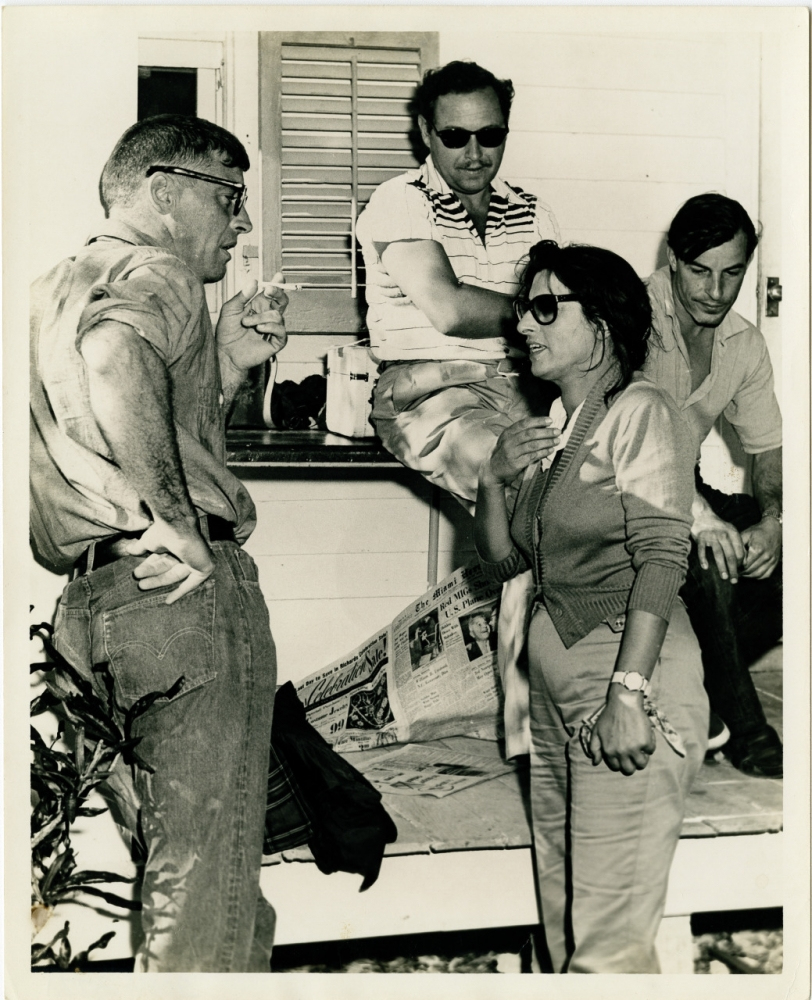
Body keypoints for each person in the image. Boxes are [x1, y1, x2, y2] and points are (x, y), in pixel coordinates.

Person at [30, 115, 288, 972]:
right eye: (230, 197)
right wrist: (178, 523)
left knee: (202, 890)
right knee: (202, 902)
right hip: (178, 605)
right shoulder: (162, 270)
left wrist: (225, 365)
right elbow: (113, 361)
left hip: (90, 613)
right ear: (163, 193)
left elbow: (116, 423)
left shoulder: (52, 287)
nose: (241, 222)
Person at [475, 241, 708, 973]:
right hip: (557, 687)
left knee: (607, 946)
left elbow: (664, 557)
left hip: (623, 675)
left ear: (602, 325)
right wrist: (492, 481)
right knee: (565, 921)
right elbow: (511, 562)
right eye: (525, 307)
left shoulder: (641, 411)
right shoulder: (559, 424)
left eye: (547, 308)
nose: (525, 326)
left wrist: (628, 694)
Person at [356, 60, 562, 509]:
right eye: (455, 137)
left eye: (490, 135)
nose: (474, 153)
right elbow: (449, 311)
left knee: (596, 483)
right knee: (523, 490)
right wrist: (546, 308)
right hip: (432, 391)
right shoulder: (401, 199)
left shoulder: (534, 211)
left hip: (529, 388)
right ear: (426, 131)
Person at [645, 194, 783, 776]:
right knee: (712, 558)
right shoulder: (630, 314)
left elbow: (769, 448)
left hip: (687, 480)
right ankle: (745, 728)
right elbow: (636, 449)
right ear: (673, 259)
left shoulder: (743, 342)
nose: (716, 291)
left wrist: (774, 522)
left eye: (732, 274)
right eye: (700, 271)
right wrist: (704, 519)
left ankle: (696, 686)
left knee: (783, 552)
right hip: (613, 485)